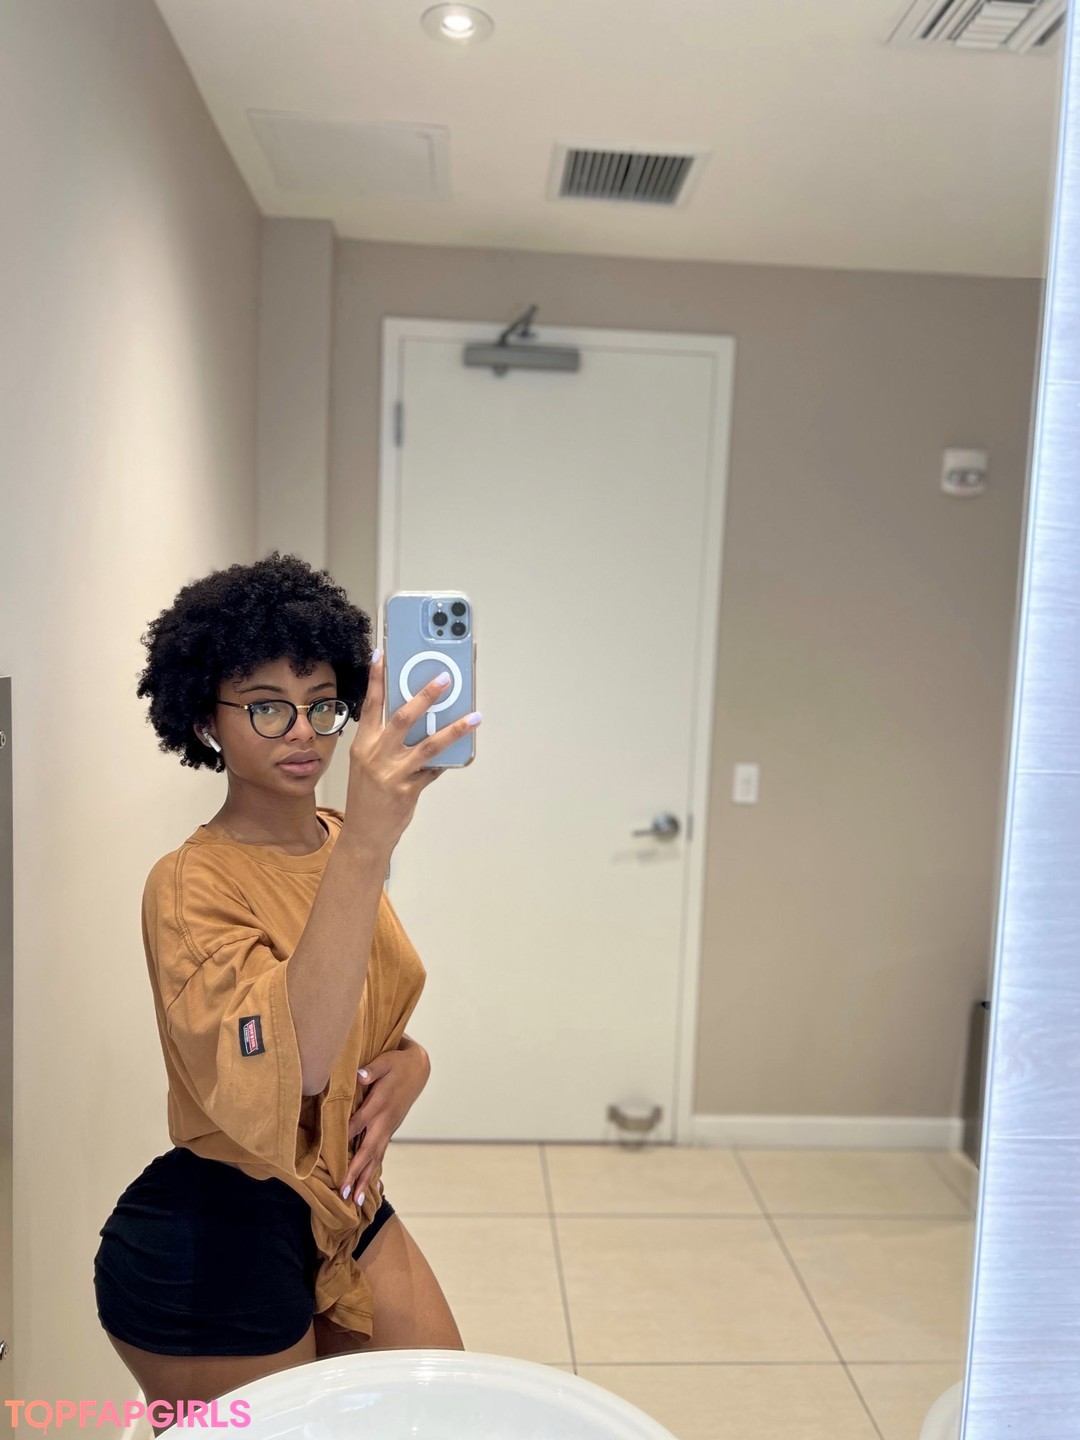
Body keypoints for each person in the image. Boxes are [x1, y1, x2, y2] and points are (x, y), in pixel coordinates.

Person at [93, 553, 482, 1432]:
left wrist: (412, 1064)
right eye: (266, 706)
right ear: (206, 719)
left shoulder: (337, 840)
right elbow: (295, 1063)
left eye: (321, 703)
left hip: (340, 1206)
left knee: (445, 1414)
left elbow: (361, 1011)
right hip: (212, 1237)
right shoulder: (190, 885)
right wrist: (372, 843)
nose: (303, 732)